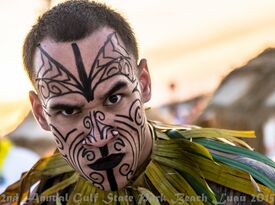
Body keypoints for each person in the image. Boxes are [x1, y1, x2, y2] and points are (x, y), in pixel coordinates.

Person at [1, 1, 274, 204]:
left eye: (114, 98)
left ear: (143, 83)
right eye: (69, 111)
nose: (99, 137)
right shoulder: (47, 199)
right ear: (40, 113)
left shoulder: (242, 187)